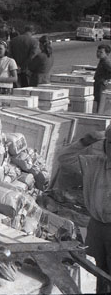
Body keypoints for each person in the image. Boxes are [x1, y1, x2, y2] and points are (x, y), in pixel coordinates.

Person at [55, 127, 111, 293]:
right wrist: (86, 141)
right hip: (96, 227)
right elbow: (64, 159)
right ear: (105, 144)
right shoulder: (95, 164)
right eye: (110, 143)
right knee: (93, 271)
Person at [94, 44, 111, 112]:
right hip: (98, 85)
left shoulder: (106, 62)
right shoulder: (102, 61)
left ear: (107, 54)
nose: (98, 54)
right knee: (98, 103)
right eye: (97, 51)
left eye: (101, 52)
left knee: (100, 105)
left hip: (102, 86)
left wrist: (106, 79)